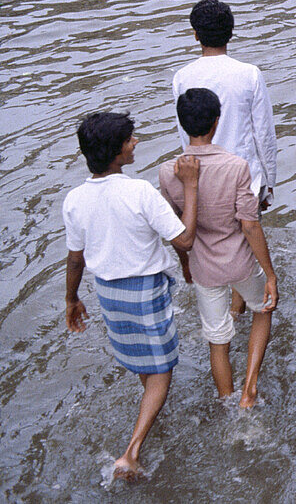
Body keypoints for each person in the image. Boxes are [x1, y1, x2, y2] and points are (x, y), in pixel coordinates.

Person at [63, 112, 199, 480]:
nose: (136, 142)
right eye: (130, 139)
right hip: (145, 289)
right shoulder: (138, 192)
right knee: (161, 369)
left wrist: (71, 299)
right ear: (116, 152)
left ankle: (150, 412)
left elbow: (75, 259)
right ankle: (132, 451)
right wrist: (190, 185)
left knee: (141, 360)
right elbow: (184, 240)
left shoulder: (74, 199)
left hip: (107, 292)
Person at [160, 88, 278, 408]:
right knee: (263, 309)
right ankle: (249, 388)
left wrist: (185, 264)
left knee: (217, 340)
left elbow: (176, 228)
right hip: (239, 261)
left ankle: (226, 400)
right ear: (216, 122)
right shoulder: (236, 166)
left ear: (183, 125)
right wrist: (269, 273)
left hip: (203, 267)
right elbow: (249, 225)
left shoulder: (168, 172)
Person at [173, 0, 277, 209]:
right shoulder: (249, 74)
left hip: (202, 177)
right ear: (230, 33)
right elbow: (264, 134)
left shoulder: (182, 78)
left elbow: (186, 135)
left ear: (196, 34)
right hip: (247, 178)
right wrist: (269, 183)